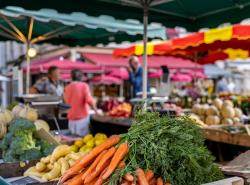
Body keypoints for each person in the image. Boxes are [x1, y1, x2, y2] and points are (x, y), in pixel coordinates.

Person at [64, 69, 98, 136]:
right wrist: (96, 111)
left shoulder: (67, 87)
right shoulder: (84, 86)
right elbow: (89, 101)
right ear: (81, 77)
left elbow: (66, 101)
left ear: (71, 77)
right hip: (82, 119)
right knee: (83, 141)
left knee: (72, 141)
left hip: (71, 119)